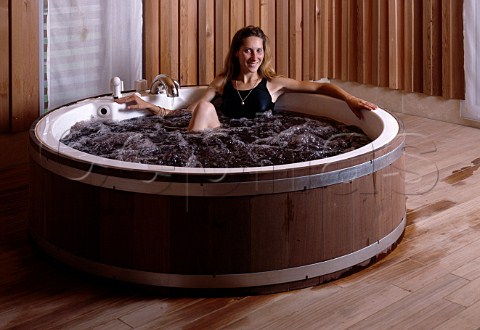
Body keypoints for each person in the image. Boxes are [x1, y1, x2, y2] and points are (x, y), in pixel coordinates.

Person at [116, 25, 377, 131]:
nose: (255, 57)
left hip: (262, 142)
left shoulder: (274, 84)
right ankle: (190, 163)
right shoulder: (222, 83)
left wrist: (350, 99)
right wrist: (147, 105)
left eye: (259, 50)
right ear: (238, 53)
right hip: (223, 138)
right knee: (205, 106)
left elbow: (320, 86)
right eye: (248, 50)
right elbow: (186, 113)